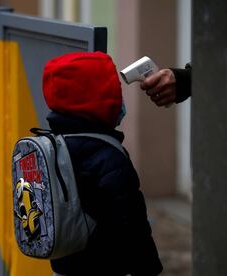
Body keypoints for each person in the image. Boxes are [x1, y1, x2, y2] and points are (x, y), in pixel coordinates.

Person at [42, 51, 163, 275]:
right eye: (116, 93)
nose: (121, 101)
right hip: (106, 266)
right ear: (99, 102)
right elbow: (132, 226)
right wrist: (149, 268)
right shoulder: (109, 158)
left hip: (63, 266)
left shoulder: (55, 147)